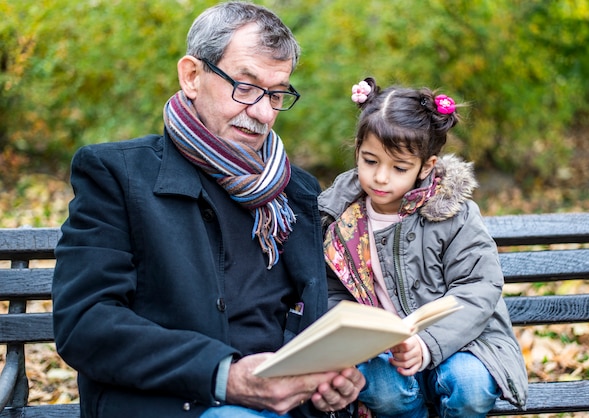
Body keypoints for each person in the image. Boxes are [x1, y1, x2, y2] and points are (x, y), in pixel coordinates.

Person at [51, 2, 364, 417]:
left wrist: (329, 382)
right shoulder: (117, 174)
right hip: (178, 405)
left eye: (276, 93)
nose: (263, 112)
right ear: (192, 75)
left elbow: (308, 319)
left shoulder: (296, 190)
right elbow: (86, 323)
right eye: (246, 87)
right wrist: (225, 376)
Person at [318, 77, 528, 418]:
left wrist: (427, 344)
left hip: (465, 341)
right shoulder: (339, 218)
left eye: (399, 168)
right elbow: (330, 291)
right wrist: (362, 331)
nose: (381, 178)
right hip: (382, 352)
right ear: (357, 151)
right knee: (385, 391)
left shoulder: (453, 215)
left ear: (425, 167)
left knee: (471, 387)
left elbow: (479, 286)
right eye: (370, 161)